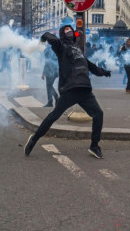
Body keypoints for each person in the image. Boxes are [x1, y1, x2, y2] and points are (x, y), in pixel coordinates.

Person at [24, 25, 111, 159]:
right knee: (53, 116)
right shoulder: (61, 47)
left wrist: (104, 72)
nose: (69, 31)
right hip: (70, 89)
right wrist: (42, 38)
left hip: (84, 89)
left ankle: (94, 146)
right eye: (66, 30)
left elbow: (91, 66)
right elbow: (50, 37)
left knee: (98, 114)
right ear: (62, 34)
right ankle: (34, 139)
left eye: (70, 29)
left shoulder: (79, 50)